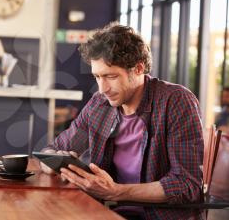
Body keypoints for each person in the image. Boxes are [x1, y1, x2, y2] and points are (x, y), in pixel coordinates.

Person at [40, 22, 204, 220]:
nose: (102, 89)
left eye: (111, 76)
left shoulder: (176, 101)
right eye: (97, 77)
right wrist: (51, 163)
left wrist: (116, 191)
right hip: (107, 212)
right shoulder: (100, 105)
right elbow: (51, 150)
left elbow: (187, 184)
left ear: (138, 69)